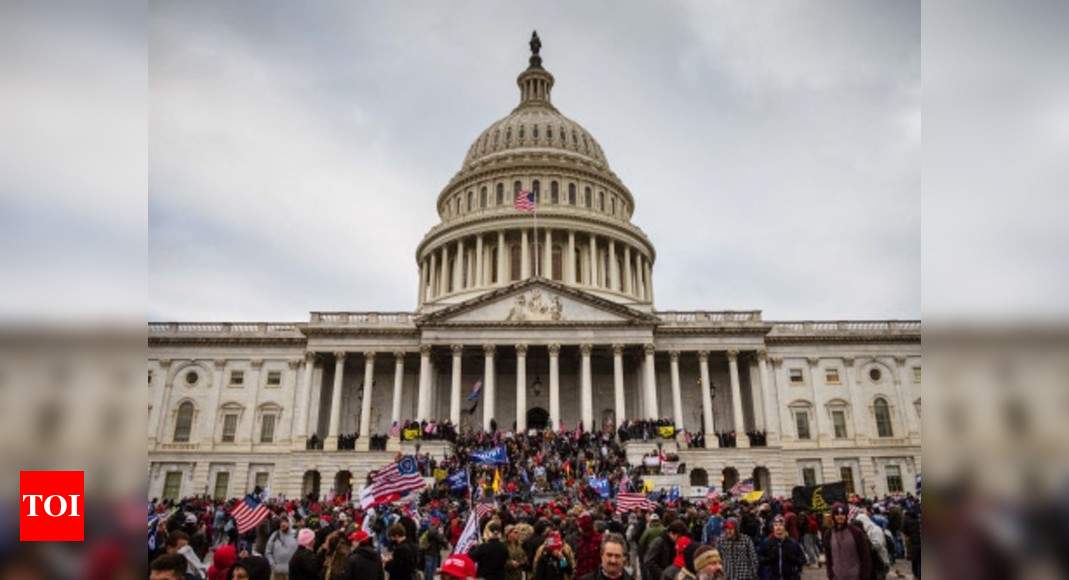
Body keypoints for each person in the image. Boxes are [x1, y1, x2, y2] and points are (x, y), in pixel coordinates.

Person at [821, 505, 871, 580]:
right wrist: (830, 574)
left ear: (846, 515)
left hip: (855, 576)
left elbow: (865, 556)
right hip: (837, 577)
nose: (840, 517)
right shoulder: (828, 534)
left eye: (843, 514)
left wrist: (864, 576)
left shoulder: (856, 532)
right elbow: (828, 557)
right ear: (833, 516)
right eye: (837, 514)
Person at [758, 516, 804, 580]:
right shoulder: (767, 542)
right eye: (776, 525)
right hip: (772, 577)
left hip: (790, 577)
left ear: (785, 527)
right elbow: (759, 558)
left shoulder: (793, 543)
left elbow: (802, 560)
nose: (778, 527)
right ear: (773, 527)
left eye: (781, 525)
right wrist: (768, 559)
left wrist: (793, 558)